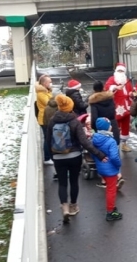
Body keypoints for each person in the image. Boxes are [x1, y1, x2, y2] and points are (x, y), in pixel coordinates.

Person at [46, 94, 108, 223]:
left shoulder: (52, 121)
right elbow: (85, 142)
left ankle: (64, 207)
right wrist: (99, 155)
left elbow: (48, 141)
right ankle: (73, 206)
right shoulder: (74, 121)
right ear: (70, 106)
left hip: (58, 156)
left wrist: (53, 156)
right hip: (74, 156)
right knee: (74, 182)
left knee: (62, 183)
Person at [91, 117, 123, 221]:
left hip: (101, 168)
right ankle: (110, 212)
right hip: (111, 170)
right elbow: (114, 157)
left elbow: (92, 152)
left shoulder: (94, 139)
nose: (111, 127)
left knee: (110, 188)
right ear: (107, 128)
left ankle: (111, 207)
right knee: (111, 190)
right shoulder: (111, 141)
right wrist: (118, 165)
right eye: (109, 125)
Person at [105, 63, 133, 152]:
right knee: (114, 125)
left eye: (122, 71)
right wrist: (116, 87)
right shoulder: (112, 79)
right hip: (116, 105)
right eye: (119, 70)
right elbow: (107, 87)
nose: (120, 72)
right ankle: (113, 144)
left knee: (126, 125)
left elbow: (130, 91)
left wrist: (132, 94)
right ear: (116, 71)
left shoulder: (127, 80)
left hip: (126, 105)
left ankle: (124, 144)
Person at [36, 74, 54, 165]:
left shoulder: (46, 91)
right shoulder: (41, 94)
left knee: (49, 137)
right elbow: (49, 102)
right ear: (44, 83)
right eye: (49, 82)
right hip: (44, 119)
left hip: (47, 117)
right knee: (47, 138)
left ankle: (49, 156)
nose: (51, 83)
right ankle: (47, 158)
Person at [43, 97, 59, 180]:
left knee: (54, 153)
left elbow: (45, 121)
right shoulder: (58, 108)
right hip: (58, 132)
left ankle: (56, 172)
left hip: (49, 130)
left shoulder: (46, 108)